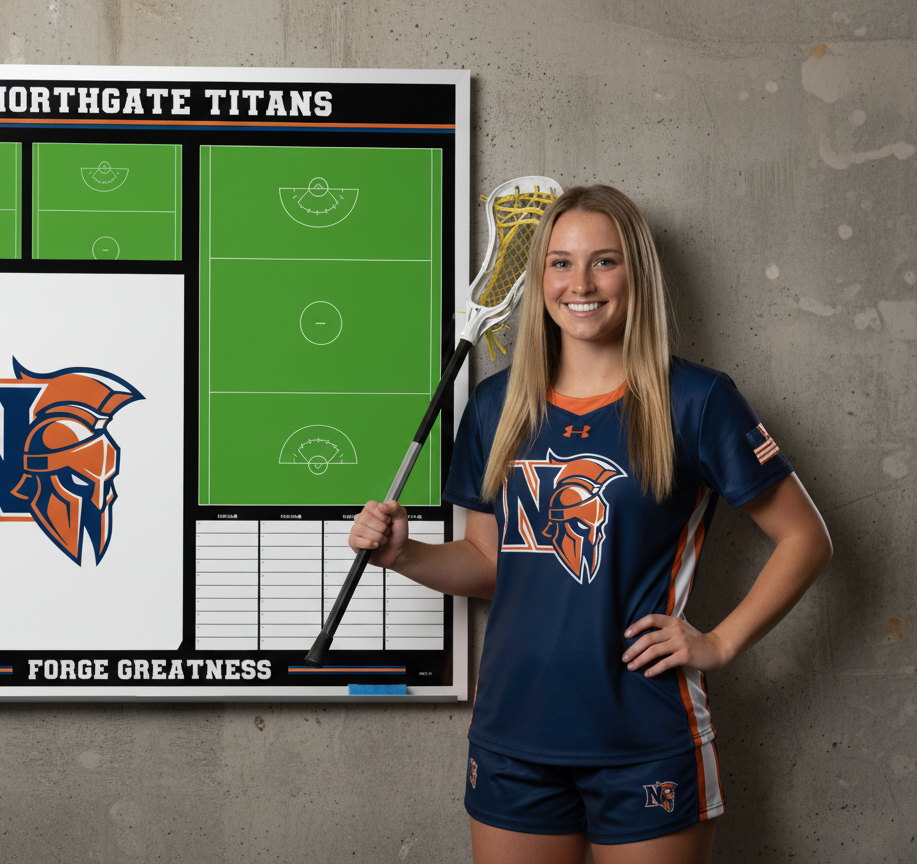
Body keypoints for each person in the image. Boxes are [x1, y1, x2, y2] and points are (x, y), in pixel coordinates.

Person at [349, 185, 831, 864]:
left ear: (636, 274)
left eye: (604, 262)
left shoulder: (696, 400)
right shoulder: (497, 406)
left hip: (644, 738)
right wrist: (406, 555)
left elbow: (806, 538)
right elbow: (490, 565)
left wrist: (719, 644)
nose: (581, 283)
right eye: (560, 263)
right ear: (538, 278)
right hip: (514, 733)